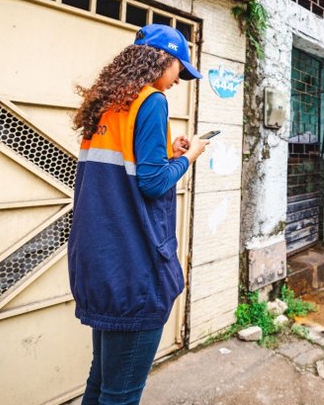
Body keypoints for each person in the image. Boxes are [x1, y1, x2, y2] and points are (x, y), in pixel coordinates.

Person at [68, 24, 209, 404]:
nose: (179, 79)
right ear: (162, 59)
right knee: (121, 395)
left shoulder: (109, 104)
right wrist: (190, 158)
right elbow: (150, 184)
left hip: (100, 263)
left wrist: (169, 152)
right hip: (134, 269)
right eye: (180, 67)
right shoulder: (153, 101)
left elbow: (130, 170)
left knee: (101, 383)